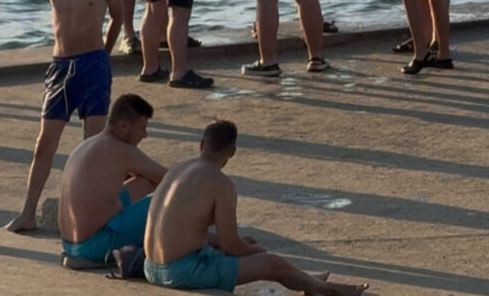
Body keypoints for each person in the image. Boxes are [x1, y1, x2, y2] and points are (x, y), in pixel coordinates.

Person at [143, 120, 368, 295]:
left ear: (202, 144)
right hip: (181, 272)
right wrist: (254, 250)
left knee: (245, 249)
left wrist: (237, 244)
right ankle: (328, 290)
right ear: (232, 152)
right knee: (272, 263)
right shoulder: (221, 183)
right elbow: (232, 247)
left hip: (151, 267)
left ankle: (309, 280)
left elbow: (187, 229)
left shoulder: (177, 170)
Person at [4, 0, 122, 233]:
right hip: (60, 66)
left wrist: (104, 53)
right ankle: (28, 212)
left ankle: (90, 213)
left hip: (92, 65)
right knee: (45, 144)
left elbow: (118, 18)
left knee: (92, 144)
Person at [59, 94, 166, 263]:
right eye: (142, 128)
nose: (144, 135)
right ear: (124, 126)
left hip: (68, 244)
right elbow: (171, 179)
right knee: (167, 197)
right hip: (92, 246)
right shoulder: (121, 150)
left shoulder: (89, 144)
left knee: (144, 182)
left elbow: (149, 177)